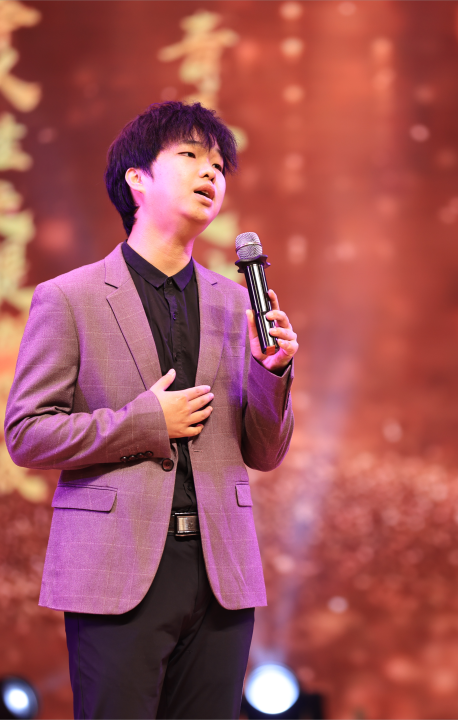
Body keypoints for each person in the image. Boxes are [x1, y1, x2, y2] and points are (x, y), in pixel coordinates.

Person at [4, 101, 297, 720]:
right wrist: (144, 424)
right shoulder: (71, 298)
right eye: (190, 156)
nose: (211, 172)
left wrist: (271, 374)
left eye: (219, 165)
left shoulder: (234, 303)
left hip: (220, 572)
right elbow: (26, 433)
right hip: (116, 568)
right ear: (136, 178)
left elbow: (265, 452)